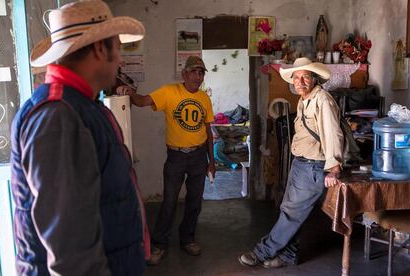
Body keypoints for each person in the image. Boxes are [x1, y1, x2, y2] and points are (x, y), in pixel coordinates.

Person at [10, 1, 149, 275]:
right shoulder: (58, 117)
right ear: (100, 48)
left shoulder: (80, 105)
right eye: (118, 49)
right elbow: (71, 253)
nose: (121, 60)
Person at [239, 57, 343, 269]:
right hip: (301, 163)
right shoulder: (305, 99)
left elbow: (333, 134)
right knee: (294, 211)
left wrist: (335, 168)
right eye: (297, 77)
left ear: (314, 79)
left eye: (305, 77)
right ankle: (288, 255)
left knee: (291, 214)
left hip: (314, 166)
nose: (300, 81)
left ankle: (262, 252)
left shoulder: (323, 100)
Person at [118, 56, 216, 265]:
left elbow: (208, 129)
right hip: (176, 156)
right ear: (184, 74)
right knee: (170, 201)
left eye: (201, 73)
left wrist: (212, 160)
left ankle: (187, 239)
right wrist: (130, 92)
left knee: (194, 201)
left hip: (199, 156)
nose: (198, 77)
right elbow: (143, 101)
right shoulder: (169, 92)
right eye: (194, 72)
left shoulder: (204, 98)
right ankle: (160, 244)